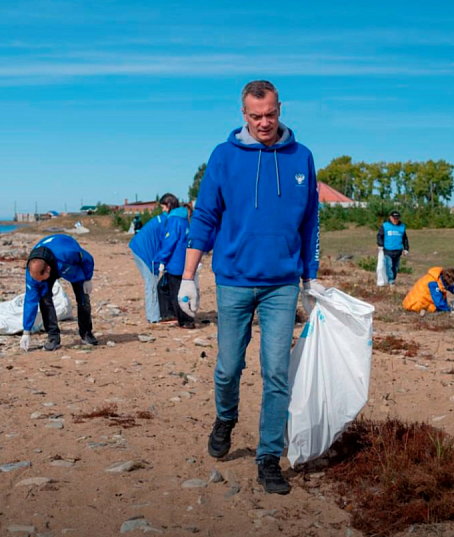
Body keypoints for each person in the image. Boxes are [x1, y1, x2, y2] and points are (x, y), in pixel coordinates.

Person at [176, 80, 321, 495]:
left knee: (276, 372)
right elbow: (204, 216)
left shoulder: (302, 157)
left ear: (281, 110)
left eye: (270, 114)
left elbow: (311, 221)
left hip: (281, 283)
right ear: (243, 115)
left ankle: (268, 456)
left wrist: (310, 278)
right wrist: (189, 276)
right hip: (234, 280)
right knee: (228, 369)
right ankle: (225, 418)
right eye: (255, 116)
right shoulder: (223, 157)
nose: (264, 122)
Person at [20, 234, 97, 352]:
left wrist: (88, 278)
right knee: (43, 298)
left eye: (40, 279)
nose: (38, 282)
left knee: (83, 297)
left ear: (48, 270)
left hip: (66, 259)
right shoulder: (33, 274)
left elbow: (87, 258)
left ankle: (86, 333)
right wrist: (26, 331)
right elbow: (30, 301)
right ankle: (53, 337)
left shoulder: (69, 254)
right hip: (49, 261)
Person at [153, 194, 194, 329]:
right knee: (163, 287)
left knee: (177, 291)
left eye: (163, 207)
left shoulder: (174, 220)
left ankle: (186, 320)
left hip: (175, 262)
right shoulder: (184, 218)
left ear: (169, 205)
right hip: (183, 260)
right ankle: (170, 314)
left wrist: (161, 259)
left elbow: (169, 241)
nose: (163, 210)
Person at [129, 209, 168, 324]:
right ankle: (153, 317)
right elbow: (166, 244)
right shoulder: (168, 222)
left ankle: (154, 314)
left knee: (151, 283)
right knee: (151, 284)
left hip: (138, 247)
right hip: (146, 253)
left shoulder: (162, 219)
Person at [376, 210, 409, 287]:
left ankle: (392, 279)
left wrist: (406, 248)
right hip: (388, 250)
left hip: (398, 250)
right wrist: (380, 245)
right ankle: (391, 281)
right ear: (390, 217)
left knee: (395, 267)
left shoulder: (402, 227)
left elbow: (405, 239)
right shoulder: (385, 226)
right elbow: (379, 236)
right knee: (389, 266)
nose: (395, 220)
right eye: (394, 218)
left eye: (397, 218)